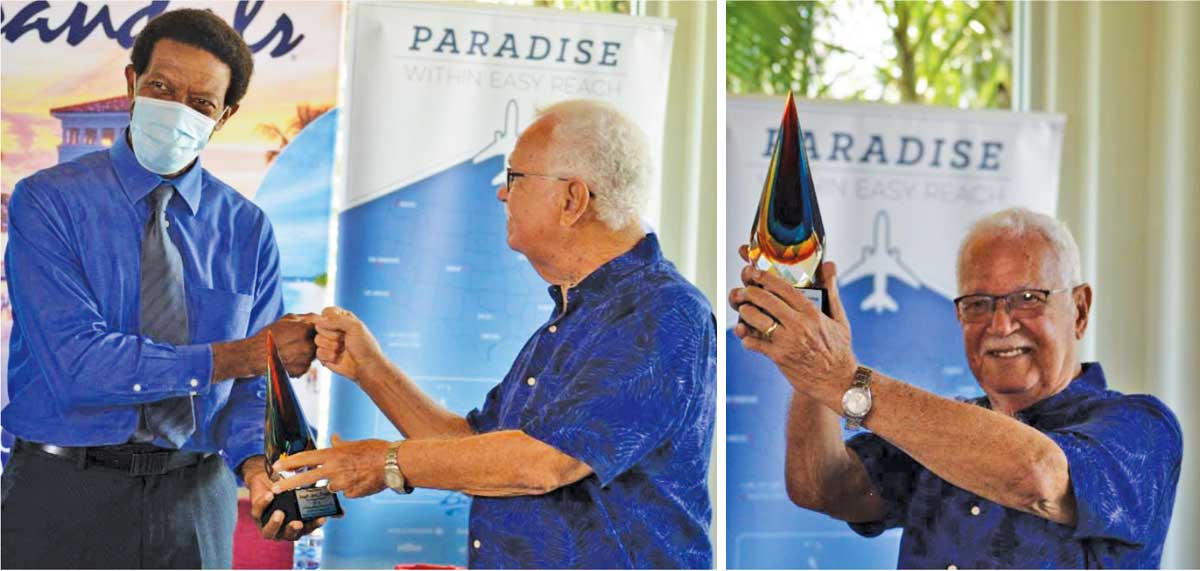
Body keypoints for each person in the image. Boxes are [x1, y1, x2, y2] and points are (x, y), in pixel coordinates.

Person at [271, 100, 717, 569]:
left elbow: (545, 463)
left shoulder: (662, 312)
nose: (503, 195)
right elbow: (469, 446)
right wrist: (370, 370)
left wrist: (384, 463)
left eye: (515, 178)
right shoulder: (576, 313)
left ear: (573, 200)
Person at [1, 9, 322, 569]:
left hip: (194, 502)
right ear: (132, 83)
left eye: (200, 103)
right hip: (60, 493)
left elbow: (257, 389)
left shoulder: (246, 228)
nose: (177, 111)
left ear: (225, 115)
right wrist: (243, 353)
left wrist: (262, 470)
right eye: (161, 88)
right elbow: (78, 364)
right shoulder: (47, 202)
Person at [729, 207, 1181, 568]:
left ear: (1079, 310)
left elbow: (1037, 476)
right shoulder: (941, 432)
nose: (1000, 325)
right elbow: (823, 487)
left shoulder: (1142, 428)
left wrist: (843, 379)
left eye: (1028, 298)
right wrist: (809, 372)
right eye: (978, 304)